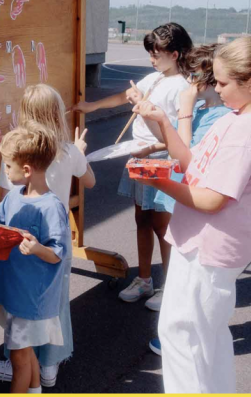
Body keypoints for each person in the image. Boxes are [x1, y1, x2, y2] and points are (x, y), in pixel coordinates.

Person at [133, 35, 251, 392]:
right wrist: (164, 124)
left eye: (223, 82)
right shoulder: (237, 117)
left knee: (182, 336)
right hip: (203, 245)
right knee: (205, 338)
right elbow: (196, 165)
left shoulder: (246, 132)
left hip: (209, 250)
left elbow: (212, 199)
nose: (216, 88)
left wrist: (158, 181)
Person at [74, 23, 192, 311]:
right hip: (139, 156)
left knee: (162, 225)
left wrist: (142, 107)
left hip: (161, 160)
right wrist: (91, 106)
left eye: (157, 53)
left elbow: (172, 138)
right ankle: (144, 278)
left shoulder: (184, 88)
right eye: (150, 53)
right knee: (142, 219)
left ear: (175, 54)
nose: (152, 58)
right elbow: (123, 97)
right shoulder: (154, 79)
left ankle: (170, 285)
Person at [0, 84, 95, 387]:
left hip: (31, 249)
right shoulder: (68, 151)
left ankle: (19, 366)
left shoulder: (19, 153)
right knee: (52, 307)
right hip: (44, 247)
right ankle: (48, 366)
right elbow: (90, 181)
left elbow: (5, 201)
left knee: (24, 316)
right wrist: (79, 155)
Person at [148, 43, 232, 356]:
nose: (189, 82)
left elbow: (187, 156)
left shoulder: (219, 116)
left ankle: (186, 339)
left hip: (194, 198)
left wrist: (183, 108)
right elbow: (177, 147)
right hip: (183, 200)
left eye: (194, 76)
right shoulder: (203, 109)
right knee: (183, 273)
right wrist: (151, 149)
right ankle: (180, 332)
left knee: (194, 280)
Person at [0, 122, 71, 393]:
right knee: (24, 353)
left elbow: (58, 254)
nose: (4, 170)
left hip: (31, 298)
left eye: (7, 165)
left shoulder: (51, 207)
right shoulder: (13, 196)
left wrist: (37, 248)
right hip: (15, 291)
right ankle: (35, 389)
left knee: (18, 358)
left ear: (26, 170)